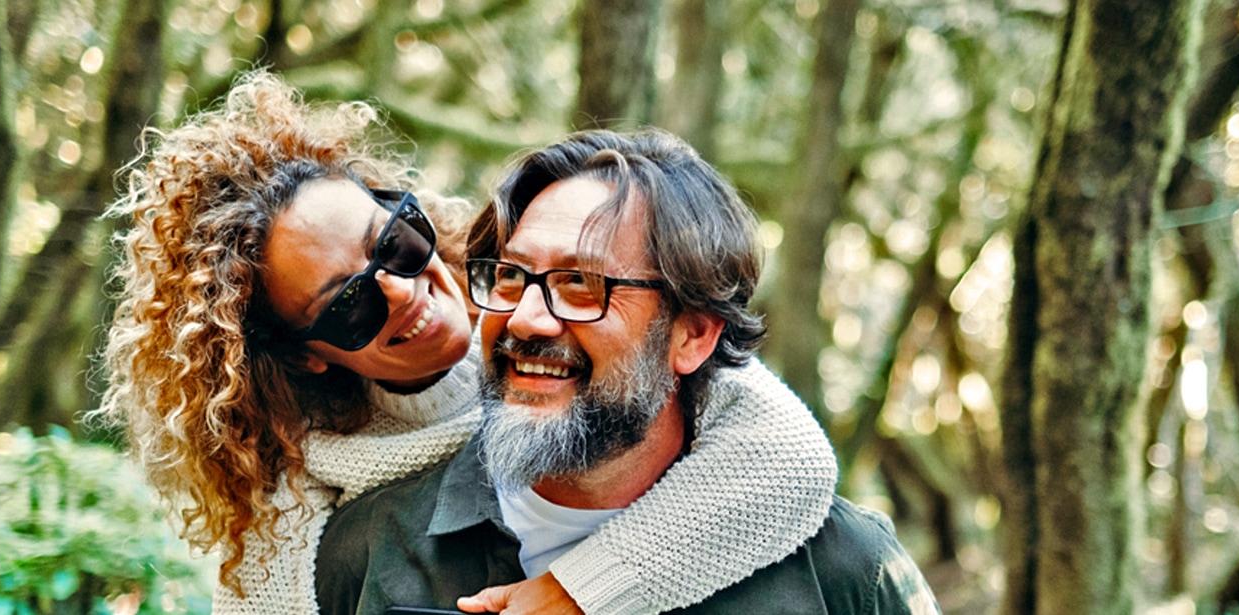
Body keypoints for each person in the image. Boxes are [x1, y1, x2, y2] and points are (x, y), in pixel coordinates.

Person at [96, 72, 841, 615]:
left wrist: (580, 592)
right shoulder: (301, 501)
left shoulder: (526, 283)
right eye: (349, 304)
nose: (402, 289)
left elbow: (789, 453)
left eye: (393, 241)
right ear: (305, 353)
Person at [315, 130, 940, 615]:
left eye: (581, 285)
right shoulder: (365, 553)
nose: (527, 318)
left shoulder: (845, 571)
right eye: (511, 276)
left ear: (693, 334)